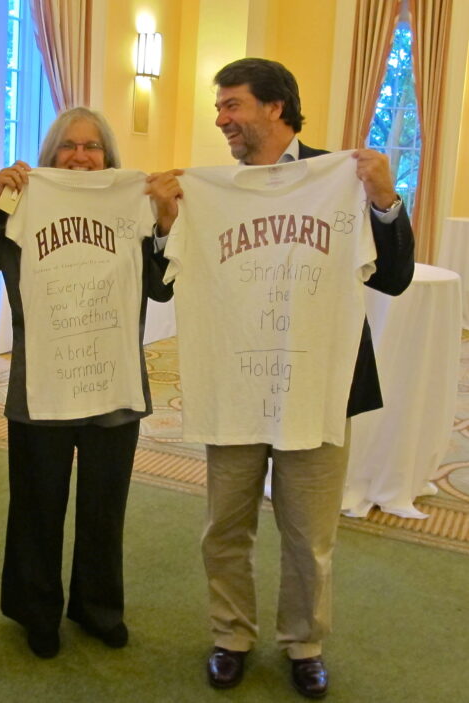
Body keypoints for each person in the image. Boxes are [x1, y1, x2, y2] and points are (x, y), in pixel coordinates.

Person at [167, 58, 414, 699]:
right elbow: (172, 283)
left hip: (319, 384)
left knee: (309, 533)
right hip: (237, 382)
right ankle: (230, 636)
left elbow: (391, 277)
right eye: (219, 107)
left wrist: (384, 200)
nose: (221, 119)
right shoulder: (213, 190)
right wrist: (168, 215)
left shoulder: (343, 178)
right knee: (225, 524)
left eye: (232, 105)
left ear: (275, 108)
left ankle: (305, 643)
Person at [0, 106, 180, 658]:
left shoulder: (131, 204)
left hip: (114, 380)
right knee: (37, 502)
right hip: (41, 384)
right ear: (50, 154)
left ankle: (98, 607)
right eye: (68, 146)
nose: (80, 156)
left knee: (106, 506)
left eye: (92, 147)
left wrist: (163, 221)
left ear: (109, 157)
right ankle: (37, 611)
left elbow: (161, 289)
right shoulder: (24, 202)